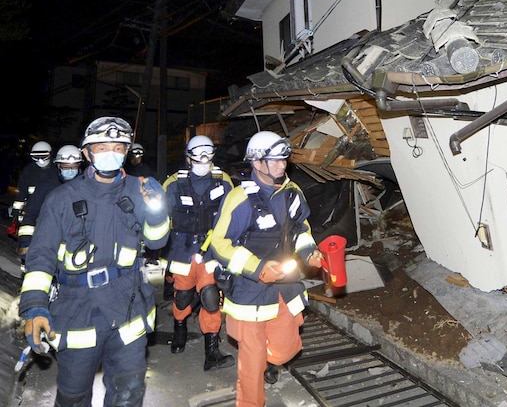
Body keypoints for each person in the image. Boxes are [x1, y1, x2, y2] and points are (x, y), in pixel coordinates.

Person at [18, 117, 170, 407]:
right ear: (87, 153)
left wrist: (157, 210)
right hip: (77, 312)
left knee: (128, 393)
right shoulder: (61, 198)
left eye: (117, 147)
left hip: (128, 307)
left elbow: (157, 241)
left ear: (126, 152)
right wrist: (35, 305)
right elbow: (41, 255)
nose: (110, 153)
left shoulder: (140, 191)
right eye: (101, 147)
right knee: (73, 397)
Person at [210, 130, 323, 407]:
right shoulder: (240, 199)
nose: (282, 165)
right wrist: (257, 268)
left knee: (286, 350)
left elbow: (301, 230)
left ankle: (271, 360)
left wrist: (309, 252)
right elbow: (219, 244)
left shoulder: (292, 193)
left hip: (285, 287)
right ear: (257, 163)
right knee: (252, 362)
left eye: (284, 159)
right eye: (275, 160)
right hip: (250, 293)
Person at [161, 135, 234, 370]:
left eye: (208, 155)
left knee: (211, 298)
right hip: (182, 250)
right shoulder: (173, 184)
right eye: (198, 156)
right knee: (182, 298)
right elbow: (158, 217)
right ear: (188, 158)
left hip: (211, 251)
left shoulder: (223, 182)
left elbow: (233, 216)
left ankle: (211, 351)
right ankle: (179, 329)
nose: (203, 161)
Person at [17, 144, 83, 262]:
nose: (70, 170)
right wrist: (26, 242)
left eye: (74, 166)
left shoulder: (87, 187)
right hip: (48, 242)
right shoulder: (46, 186)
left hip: (78, 248)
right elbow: (31, 214)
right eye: (66, 167)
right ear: (58, 165)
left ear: (79, 165)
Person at [7, 141, 55, 240]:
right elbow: (21, 194)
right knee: (27, 236)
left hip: (52, 211)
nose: (40, 160)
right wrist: (16, 214)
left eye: (43, 156)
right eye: (36, 156)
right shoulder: (28, 171)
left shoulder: (56, 170)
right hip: (31, 212)